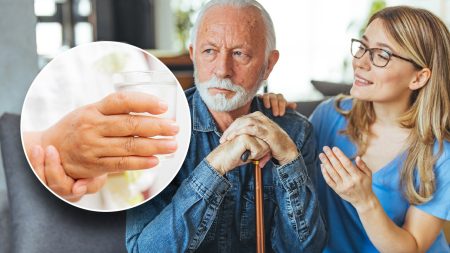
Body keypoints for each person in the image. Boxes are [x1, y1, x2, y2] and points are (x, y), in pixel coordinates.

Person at [125, 0, 326, 252]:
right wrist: (216, 166)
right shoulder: (154, 129)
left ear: (269, 64)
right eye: (209, 51)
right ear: (193, 54)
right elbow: (143, 250)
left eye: (240, 53)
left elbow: (303, 249)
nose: (222, 70)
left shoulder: (294, 132)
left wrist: (288, 158)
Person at [247, 6, 450, 253]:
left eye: (382, 55)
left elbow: (414, 247)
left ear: (418, 78)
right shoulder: (328, 115)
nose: (361, 62)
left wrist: (365, 201)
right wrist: (275, 111)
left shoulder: (441, 155)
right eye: (363, 47)